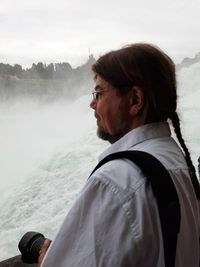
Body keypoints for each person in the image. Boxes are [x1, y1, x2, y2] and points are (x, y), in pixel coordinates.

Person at [39, 43, 200, 267]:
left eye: (99, 93)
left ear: (135, 100)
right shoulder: (176, 160)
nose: (92, 103)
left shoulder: (117, 180)